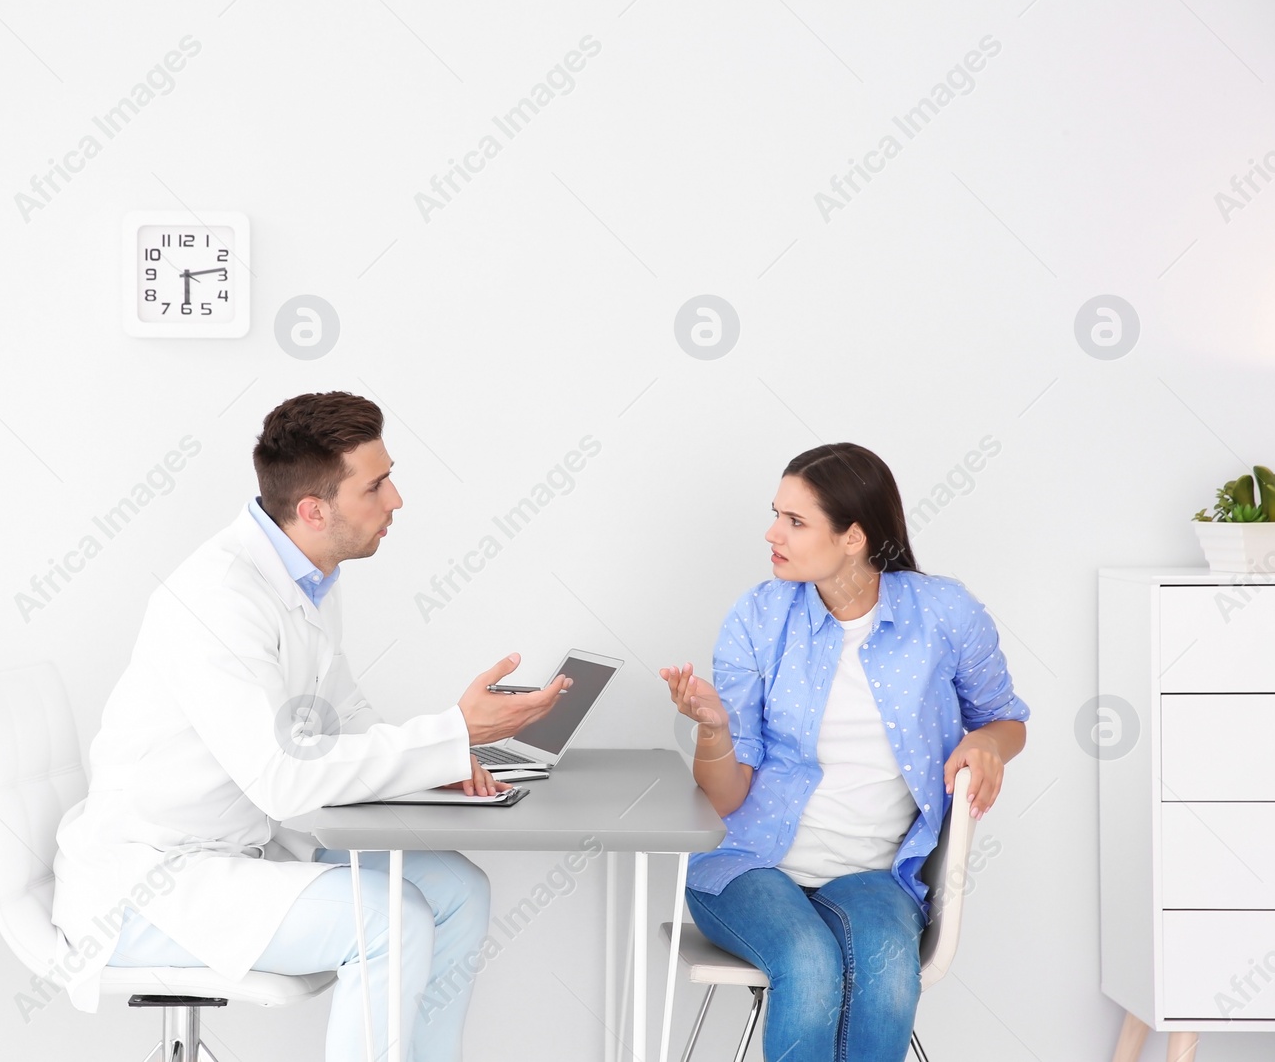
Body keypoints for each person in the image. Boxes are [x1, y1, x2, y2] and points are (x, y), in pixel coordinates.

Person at [52, 391, 570, 1062]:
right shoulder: (219, 598)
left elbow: (344, 722)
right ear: (313, 510)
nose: (397, 501)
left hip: (242, 847)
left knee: (459, 890)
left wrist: (447, 760)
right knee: (388, 920)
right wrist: (450, 733)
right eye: (377, 485)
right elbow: (285, 779)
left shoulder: (308, 579)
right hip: (152, 883)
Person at [660, 442, 1028, 1061]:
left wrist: (988, 742)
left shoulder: (944, 612)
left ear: (854, 537)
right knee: (807, 961)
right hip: (751, 868)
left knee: (886, 973)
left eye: (795, 521)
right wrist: (715, 730)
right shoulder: (758, 616)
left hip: (877, 876)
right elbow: (727, 795)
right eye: (776, 513)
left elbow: (1006, 720)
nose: (772, 533)